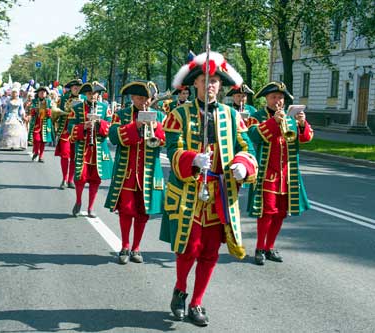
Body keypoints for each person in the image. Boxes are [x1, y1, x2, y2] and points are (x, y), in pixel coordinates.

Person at [160, 51, 257, 326]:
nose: (210, 85)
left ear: (221, 86)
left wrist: (242, 165)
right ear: (195, 85)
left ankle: (197, 302)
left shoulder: (232, 116)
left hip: (220, 193)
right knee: (188, 248)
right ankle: (180, 289)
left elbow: (246, 148)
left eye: (214, 80)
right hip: (188, 192)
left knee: (210, 251)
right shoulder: (179, 114)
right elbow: (171, 148)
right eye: (204, 80)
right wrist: (192, 159)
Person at [246, 81, 313, 265]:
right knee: (266, 213)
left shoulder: (290, 118)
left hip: (287, 175)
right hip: (266, 173)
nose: (278, 101)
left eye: (281, 98)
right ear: (266, 99)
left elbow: (306, 138)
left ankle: (270, 247)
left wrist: (301, 123)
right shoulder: (257, 116)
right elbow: (253, 135)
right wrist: (273, 121)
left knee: (281, 213)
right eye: (274, 97)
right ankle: (260, 248)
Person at [104, 81, 166, 264]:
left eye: (146, 98)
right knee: (126, 210)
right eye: (140, 98)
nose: (143, 102)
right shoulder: (122, 114)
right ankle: (124, 245)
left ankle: (137, 248)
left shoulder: (160, 116)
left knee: (143, 211)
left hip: (149, 172)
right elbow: (114, 137)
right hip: (127, 172)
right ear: (132, 98)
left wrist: (155, 127)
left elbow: (165, 141)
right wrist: (136, 125)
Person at [68, 81, 113, 218]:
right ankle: (78, 200)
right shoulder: (76, 108)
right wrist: (83, 127)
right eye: (89, 93)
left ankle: (91, 207)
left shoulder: (105, 108)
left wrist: (100, 123)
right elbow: (70, 128)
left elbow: (111, 127)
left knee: (95, 178)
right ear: (85, 95)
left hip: (99, 148)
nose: (92, 96)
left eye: (94, 93)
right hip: (83, 147)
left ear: (98, 94)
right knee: (80, 176)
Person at [54, 79, 83, 189]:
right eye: (74, 87)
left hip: (78, 130)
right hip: (65, 130)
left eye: (78, 87)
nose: (76, 88)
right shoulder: (64, 98)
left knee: (75, 157)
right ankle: (64, 179)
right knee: (65, 155)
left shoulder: (84, 98)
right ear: (71, 88)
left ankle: (71, 180)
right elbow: (58, 113)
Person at [29, 86, 53, 162]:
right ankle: (36, 152)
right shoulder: (34, 101)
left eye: (44, 92)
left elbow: (52, 113)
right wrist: (34, 110)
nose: (42, 93)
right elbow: (31, 112)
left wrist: (49, 111)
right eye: (41, 92)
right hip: (36, 122)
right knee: (36, 139)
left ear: (46, 94)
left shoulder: (49, 101)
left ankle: (41, 156)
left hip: (46, 123)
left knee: (43, 140)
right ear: (38, 93)